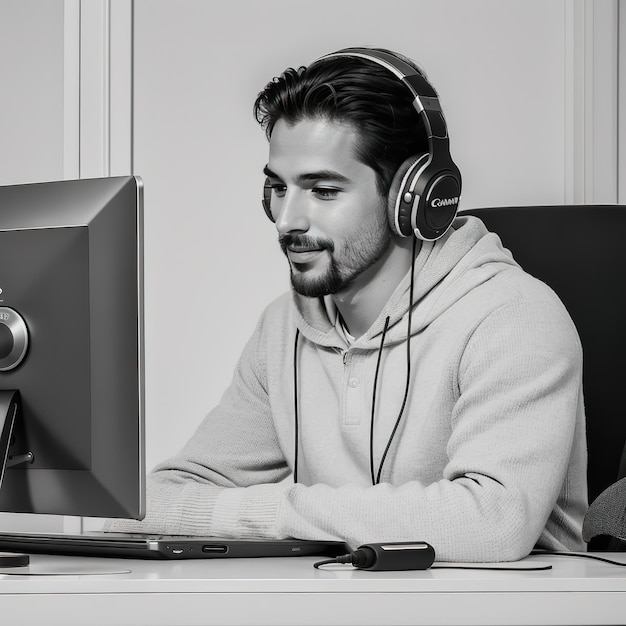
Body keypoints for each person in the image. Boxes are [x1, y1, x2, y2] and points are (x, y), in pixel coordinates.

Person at [108, 47, 588, 562]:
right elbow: (154, 501)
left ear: (412, 196)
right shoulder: (283, 326)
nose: (287, 219)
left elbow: (492, 523)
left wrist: (266, 515)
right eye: (277, 187)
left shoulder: (513, 318)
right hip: (341, 607)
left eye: (322, 190)